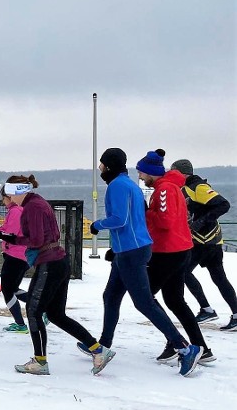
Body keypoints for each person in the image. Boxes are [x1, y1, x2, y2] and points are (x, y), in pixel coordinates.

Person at [86, 148, 202, 377]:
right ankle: (102, 346)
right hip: (128, 249)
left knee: (144, 302)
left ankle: (185, 348)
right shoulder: (130, 185)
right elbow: (139, 216)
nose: (99, 168)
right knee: (110, 297)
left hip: (132, 250)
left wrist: (97, 225)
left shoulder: (118, 186)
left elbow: (121, 219)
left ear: (108, 165)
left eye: (101, 164)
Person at [0, 175, 115, 376]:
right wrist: (10, 237)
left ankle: (40, 362)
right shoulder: (38, 202)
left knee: (33, 312)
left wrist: (12, 238)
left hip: (48, 263)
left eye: (8, 193)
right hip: (58, 260)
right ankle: (98, 350)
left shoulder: (32, 207)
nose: (7, 198)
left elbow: (37, 239)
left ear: (17, 191)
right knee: (56, 314)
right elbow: (41, 236)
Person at [136, 150, 213, 364]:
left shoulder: (164, 190)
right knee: (174, 300)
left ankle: (175, 339)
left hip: (168, 251)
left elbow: (165, 222)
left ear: (151, 173)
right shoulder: (172, 187)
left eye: (142, 174)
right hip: (180, 249)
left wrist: (145, 212)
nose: (141, 178)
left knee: (144, 297)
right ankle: (201, 347)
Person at [170, 159, 237, 331]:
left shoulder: (197, 187)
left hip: (205, 241)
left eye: (173, 172)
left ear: (182, 173)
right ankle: (231, 314)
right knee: (218, 278)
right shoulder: (184, 189)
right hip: (206, 241)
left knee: (183, 272)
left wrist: (200, 223)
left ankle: (207, 309)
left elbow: (223, 204)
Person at [0, 180, 30, 333]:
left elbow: (11, 234)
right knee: (13, 288)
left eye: (3, 198)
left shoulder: (15, 211)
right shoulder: (21, 210)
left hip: (15, 255)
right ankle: (43, 307)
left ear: (9, 196)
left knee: (7, 290)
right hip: (22, 256)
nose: (3, 201)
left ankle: (21, 324)